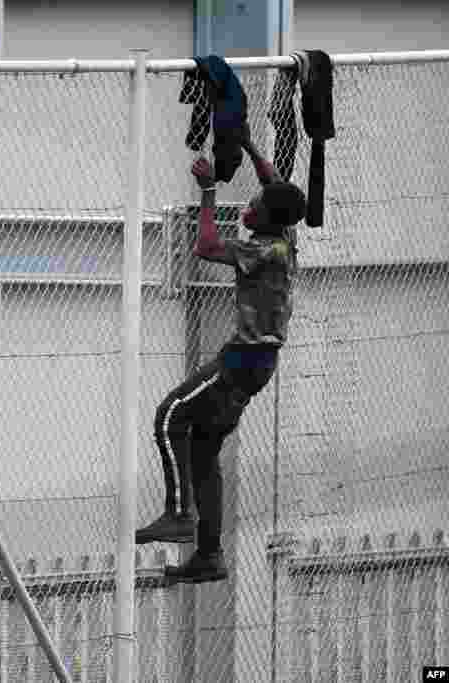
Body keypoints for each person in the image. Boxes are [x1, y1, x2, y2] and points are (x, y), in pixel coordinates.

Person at [134, 136, 306, 584]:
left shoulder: (263, 248)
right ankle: (209, 555)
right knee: (205, 451)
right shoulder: (286, 234)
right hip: (258, 365)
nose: (247, 207)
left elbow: (206, 247)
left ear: (269, 216)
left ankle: (177, 514)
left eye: (253, 205)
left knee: (170, 413)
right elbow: (277, 183)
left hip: (241, 362)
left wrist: (208, 191)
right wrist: (246, 141)